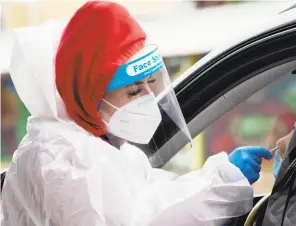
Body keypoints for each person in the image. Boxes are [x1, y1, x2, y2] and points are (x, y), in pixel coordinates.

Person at [1, 1, 273, 226]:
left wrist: (222, 176)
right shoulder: (64, 159)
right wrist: (223, 182)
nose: (149, 98)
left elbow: (153, 196)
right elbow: (140, 220)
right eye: (134, 92)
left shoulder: (99, 145)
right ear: (92, 95)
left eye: (149, 85)